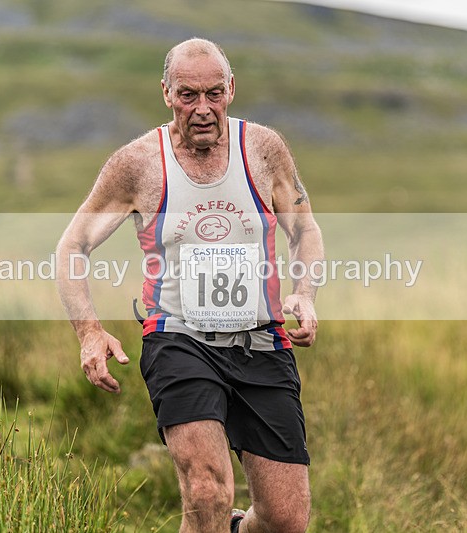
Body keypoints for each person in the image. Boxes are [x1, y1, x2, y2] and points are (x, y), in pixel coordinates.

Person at [56, 38, 323, 533]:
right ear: (166, 93)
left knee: (286, 521)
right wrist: (89, 331)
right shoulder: (137, 163)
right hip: (178, 339)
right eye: (187, 95)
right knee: (207, 491)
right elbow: (72, 246)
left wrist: (304, 293)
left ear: (231, 89)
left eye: (214, 94)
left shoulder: (264, 149)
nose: (202, 109)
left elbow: (305, 230)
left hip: (261, 341)